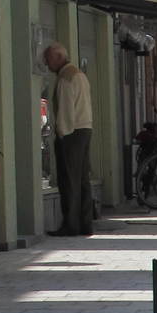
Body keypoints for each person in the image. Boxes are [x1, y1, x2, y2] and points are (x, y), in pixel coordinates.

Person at [42, 42, 94, 236]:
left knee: (69, 180)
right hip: (85, 128)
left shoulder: (65, 78)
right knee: (82, 178)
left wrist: (62, 134)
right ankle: (85, 223)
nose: (47, 64)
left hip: (72, 133)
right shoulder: (79, 74)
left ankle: (71, 224)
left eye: (48, 59)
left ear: (58, 57)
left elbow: (65, 109)